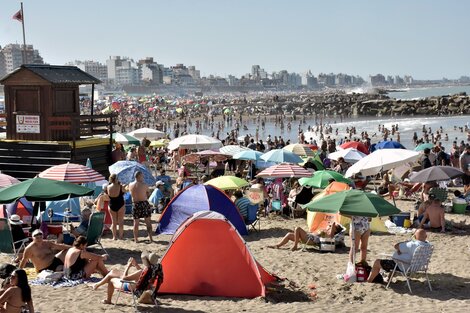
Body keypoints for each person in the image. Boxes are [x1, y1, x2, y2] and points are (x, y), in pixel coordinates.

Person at [92, 251, 161, 305]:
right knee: (114, 271)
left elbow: (124, 278)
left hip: (129, 286)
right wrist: (136, 265)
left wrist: (128, 266)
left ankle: (108, 300)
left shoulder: (142, 271)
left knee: (111, 280)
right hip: (141, 287)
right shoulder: (154, 270)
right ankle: (97, 285)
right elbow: (142, 273)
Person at [269, 222, 341, 251]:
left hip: (311, 240)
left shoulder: (329, 235)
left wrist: (334, 224)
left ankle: (295, 246)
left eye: (333, 226)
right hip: (308, 236)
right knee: (289, 234)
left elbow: (331, 236)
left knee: (297, 228)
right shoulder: (326, 230)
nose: (331, 226)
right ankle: (278, 245)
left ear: (335, 230)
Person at [129, 171, 153, 243]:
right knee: (148, 221)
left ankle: (136, 239)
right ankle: (151, 238)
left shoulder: (130, 185)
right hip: (144, 203)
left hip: (135, 204)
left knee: (136, 223)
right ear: (139, 176)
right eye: (142, 176)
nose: (143, 177)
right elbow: (148, 193)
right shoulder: (144, 185)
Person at [107, 174, 126, 240]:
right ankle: (120, 237)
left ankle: (114, 237)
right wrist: (123, 185)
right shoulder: (120, 186)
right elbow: (125, 192)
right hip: (120, 204)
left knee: (113, 222)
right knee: (120, 222)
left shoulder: (108, 187)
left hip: (111, 205)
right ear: (116, 179)